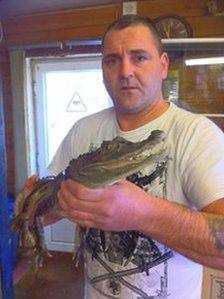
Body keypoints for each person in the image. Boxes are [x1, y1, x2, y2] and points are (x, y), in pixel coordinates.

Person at [40, 14, 224, 298]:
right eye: (112, 60)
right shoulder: (83, 129)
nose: (125, 71)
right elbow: (49, 209)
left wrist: (144, 214)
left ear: (163, 66)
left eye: (139, 57)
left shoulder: (198, 134)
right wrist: (40, 207)